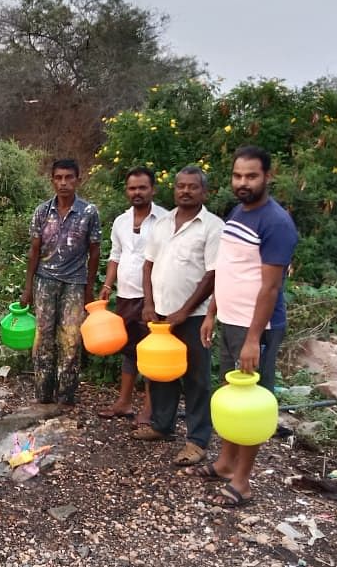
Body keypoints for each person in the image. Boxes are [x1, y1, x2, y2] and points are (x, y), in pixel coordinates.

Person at [191, 145, 299, 508]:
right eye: (238, 176)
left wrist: (254, 339)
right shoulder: (237, 212)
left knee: (251, 404)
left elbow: (270, 287)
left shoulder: (277, 223)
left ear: (268, 176)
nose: (243, 182)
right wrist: (211, 313)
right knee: (231, 397)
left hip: (258, 328)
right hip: (230, 321)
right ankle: (224, 464)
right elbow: (228, 269)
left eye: (251, 176)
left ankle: (243, 481)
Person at [134, 167, 223, 466]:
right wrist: (148, 303)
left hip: (194, 316)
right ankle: (162, 425)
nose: (185, 191)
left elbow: (213, 274)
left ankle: (197, 440)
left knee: (197, 378)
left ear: (204, 192)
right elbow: (148, 266)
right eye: (180, 186)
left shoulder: (212, 226)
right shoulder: (162, 224)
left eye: (192, 187)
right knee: (160, 372)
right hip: (159, 314)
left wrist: (184, 311)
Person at [21, 158, 101, 406]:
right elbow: (34, 251)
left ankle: (66, 397)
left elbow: (95, 251)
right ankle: (43, 396)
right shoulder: (42, 212)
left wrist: (89, 290)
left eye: (69, 177)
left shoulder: (89, 212)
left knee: (71, 340)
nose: (64, 183)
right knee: (43, 339)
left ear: (78, 179)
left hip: (75, 284)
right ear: (52, 180)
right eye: (59, 178)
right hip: (45, 281)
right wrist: (28, 288)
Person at [97, 167, 167, 423]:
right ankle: (124, 403)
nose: (137, 193)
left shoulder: (165, 220)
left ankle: (149, 410)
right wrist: (107, 285)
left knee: (151, 352)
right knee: (129, 350)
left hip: (155, 297)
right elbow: (116, 255)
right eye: (132, 188)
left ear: (152, 190)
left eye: (142, 188)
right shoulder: (121, 221)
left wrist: (155, 300)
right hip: (126, 294)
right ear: (126, 191)